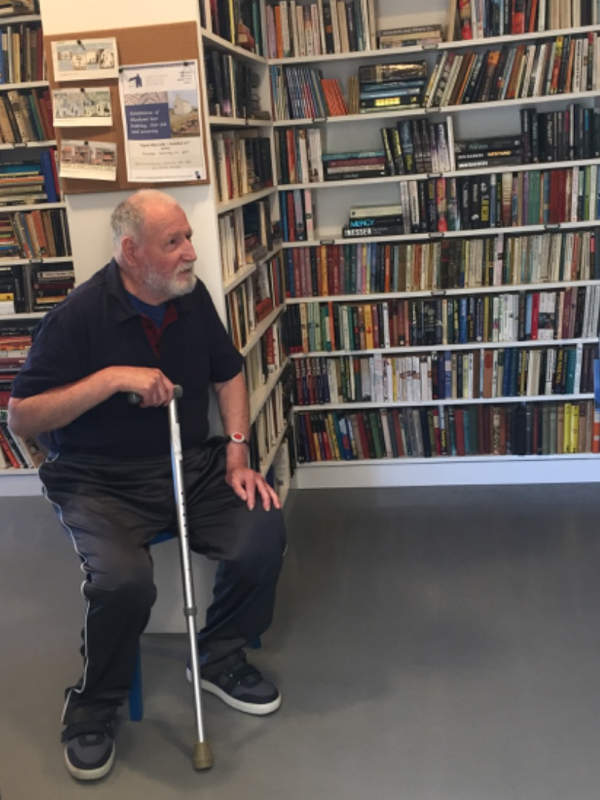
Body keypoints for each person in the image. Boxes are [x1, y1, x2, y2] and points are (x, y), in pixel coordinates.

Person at [8, 189, 286, 782]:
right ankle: (92, 706)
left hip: (189, 462)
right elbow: (23, 418)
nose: (191, 252)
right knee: (123, 582)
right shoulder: (77, 317)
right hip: (97, 478)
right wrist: (110, 379)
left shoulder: (191, 297)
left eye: (188, 237)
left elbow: (229, 374)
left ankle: (218, 655)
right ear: (131, 253)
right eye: (174, 242)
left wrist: (238, 452)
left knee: (261, 530)